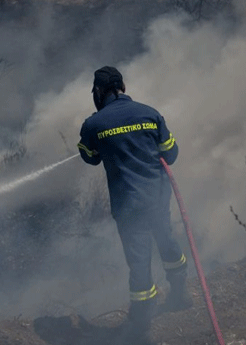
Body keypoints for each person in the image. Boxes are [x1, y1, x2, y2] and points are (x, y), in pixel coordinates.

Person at [77, 66, 192, 340]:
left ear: (99, 91)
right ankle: (180, 294)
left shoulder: (94, 124)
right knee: (167, 241)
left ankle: (141, 323)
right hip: (157, 196)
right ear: (123, 87)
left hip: (128, 204)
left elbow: (89, 157)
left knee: (139, 259)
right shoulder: (150, 114)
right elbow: (171, 153)